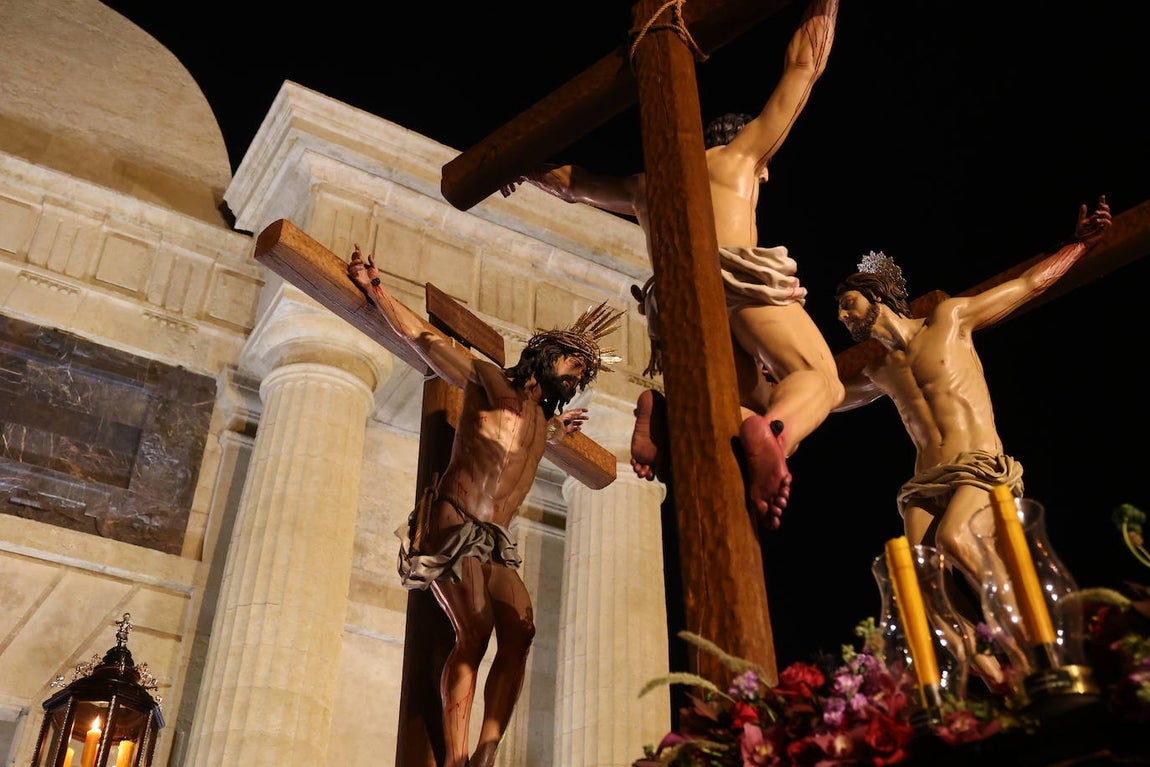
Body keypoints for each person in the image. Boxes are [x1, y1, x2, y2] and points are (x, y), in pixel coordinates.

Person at [502, 0, 844, 529]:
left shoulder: (642, 186)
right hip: (733, 277)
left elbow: (574, 186)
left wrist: (522, 166)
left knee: (744, 405)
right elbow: (803, 66)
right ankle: (776, 437)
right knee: (819, 380)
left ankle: (670, 415)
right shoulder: (741, 158)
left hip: (675, 303)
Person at [347, 245, 623, 767]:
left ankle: (488, 750)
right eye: (573, 360)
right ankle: (456, 758)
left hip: (495, 540)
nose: (578, 372)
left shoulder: (544, 423)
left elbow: (525, 449)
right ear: (544, 353)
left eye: (585, 370)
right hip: (455, 520)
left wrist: (556, 433)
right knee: (474, 631)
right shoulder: (490, 381)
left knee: (522, 631)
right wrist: (375, 288)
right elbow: (424, 338)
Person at [833, 196, 1112, 690]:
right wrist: (773, 370)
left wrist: (1080, 245)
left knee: (955, 539)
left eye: (847, 303)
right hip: (925, 482)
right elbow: (826, 395)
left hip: (977, 465)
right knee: (918, 583)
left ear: (875, 295)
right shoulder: (877, 370)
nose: (841, 316)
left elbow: (1027, 285)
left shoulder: (949, 319)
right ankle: (993, 678)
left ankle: (1032, 649)